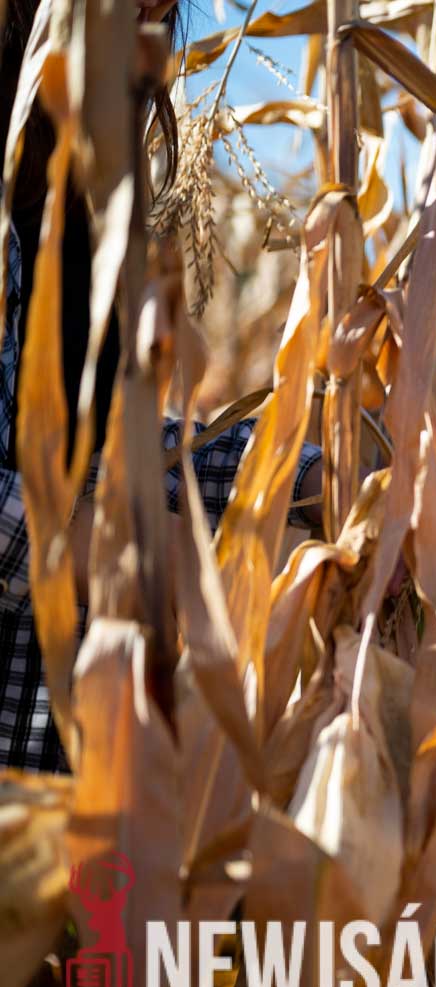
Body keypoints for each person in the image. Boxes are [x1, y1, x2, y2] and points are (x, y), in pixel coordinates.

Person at [0, 0, 326, 773]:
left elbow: (103, 442)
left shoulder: (75, 204)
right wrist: (180, 569)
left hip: (63, 748)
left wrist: (295, 474)